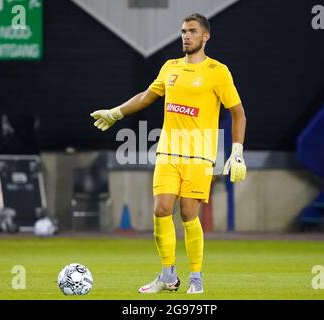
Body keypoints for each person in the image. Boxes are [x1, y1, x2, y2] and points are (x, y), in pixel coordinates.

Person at [90, 13, 247, 294]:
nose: (186, 36)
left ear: (205, 36)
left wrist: (237, 152)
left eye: (192, 31)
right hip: (168, 153)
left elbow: (238, 113)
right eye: (183, 31)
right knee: (161, 209)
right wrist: (116, 113)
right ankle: (167, 276)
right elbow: (146, 96)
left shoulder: (217, 71)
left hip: (199, 156)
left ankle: (196, 278)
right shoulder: (170, 67)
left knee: (188, 214)